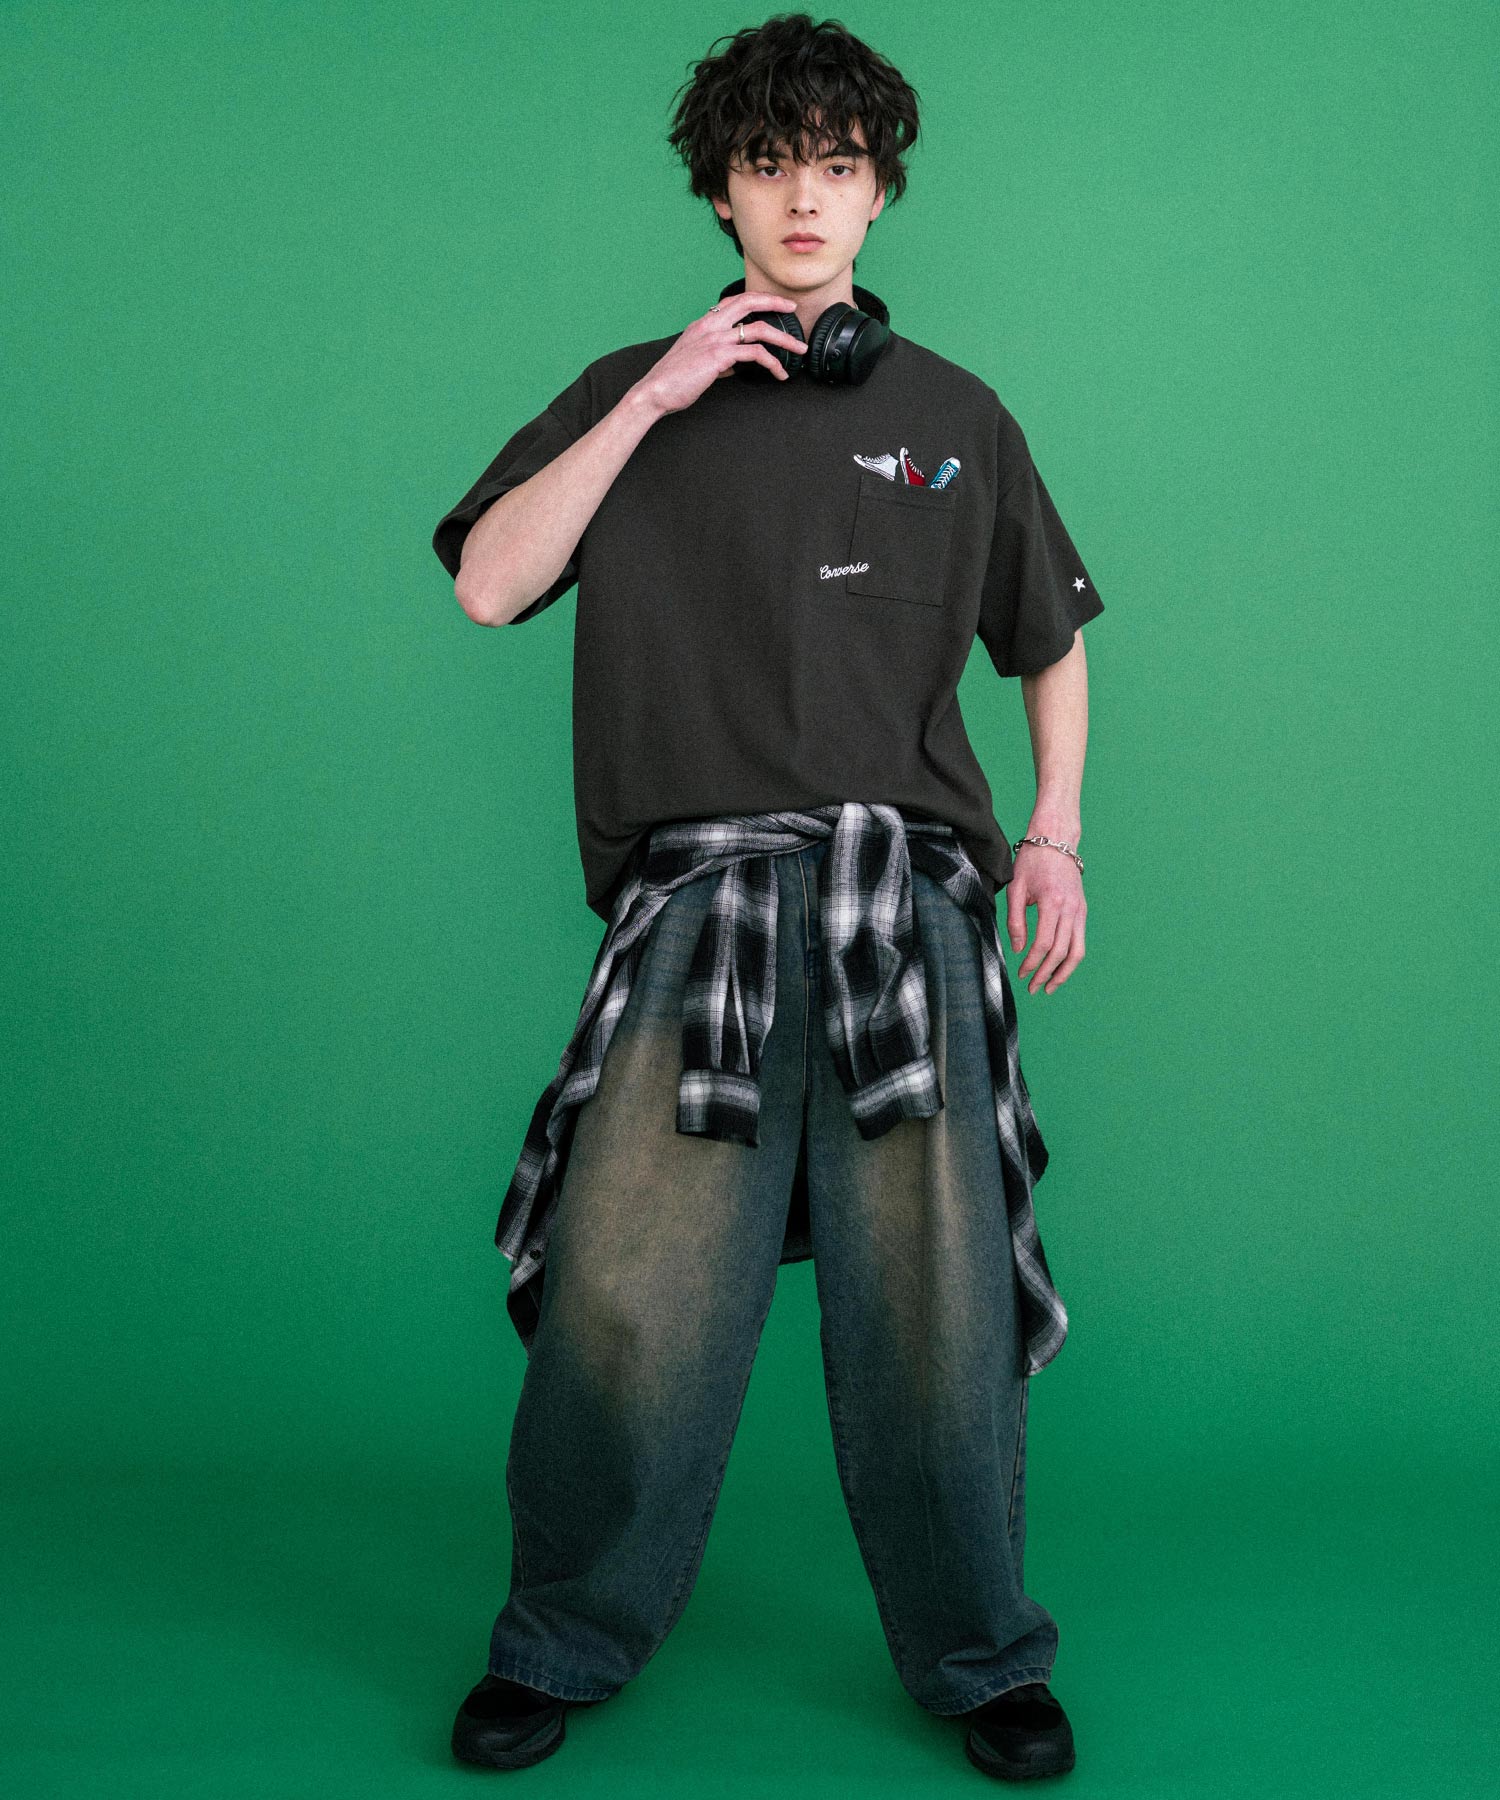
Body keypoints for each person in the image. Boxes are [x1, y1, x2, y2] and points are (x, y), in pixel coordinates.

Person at [431, 12, 1103, 1782]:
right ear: (719, 195)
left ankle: (981, 1658)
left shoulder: (958, 416)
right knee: (627, 1299)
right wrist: (654, 398)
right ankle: (561, 1639)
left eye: (839, 166)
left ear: (880, 195)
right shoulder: (622, 392)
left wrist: (1053, 832)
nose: (805, 197)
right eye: (768, 164)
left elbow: (1050, 636)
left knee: (939, 1311)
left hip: (907, 912)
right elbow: (489, 586)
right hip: (701, 911)